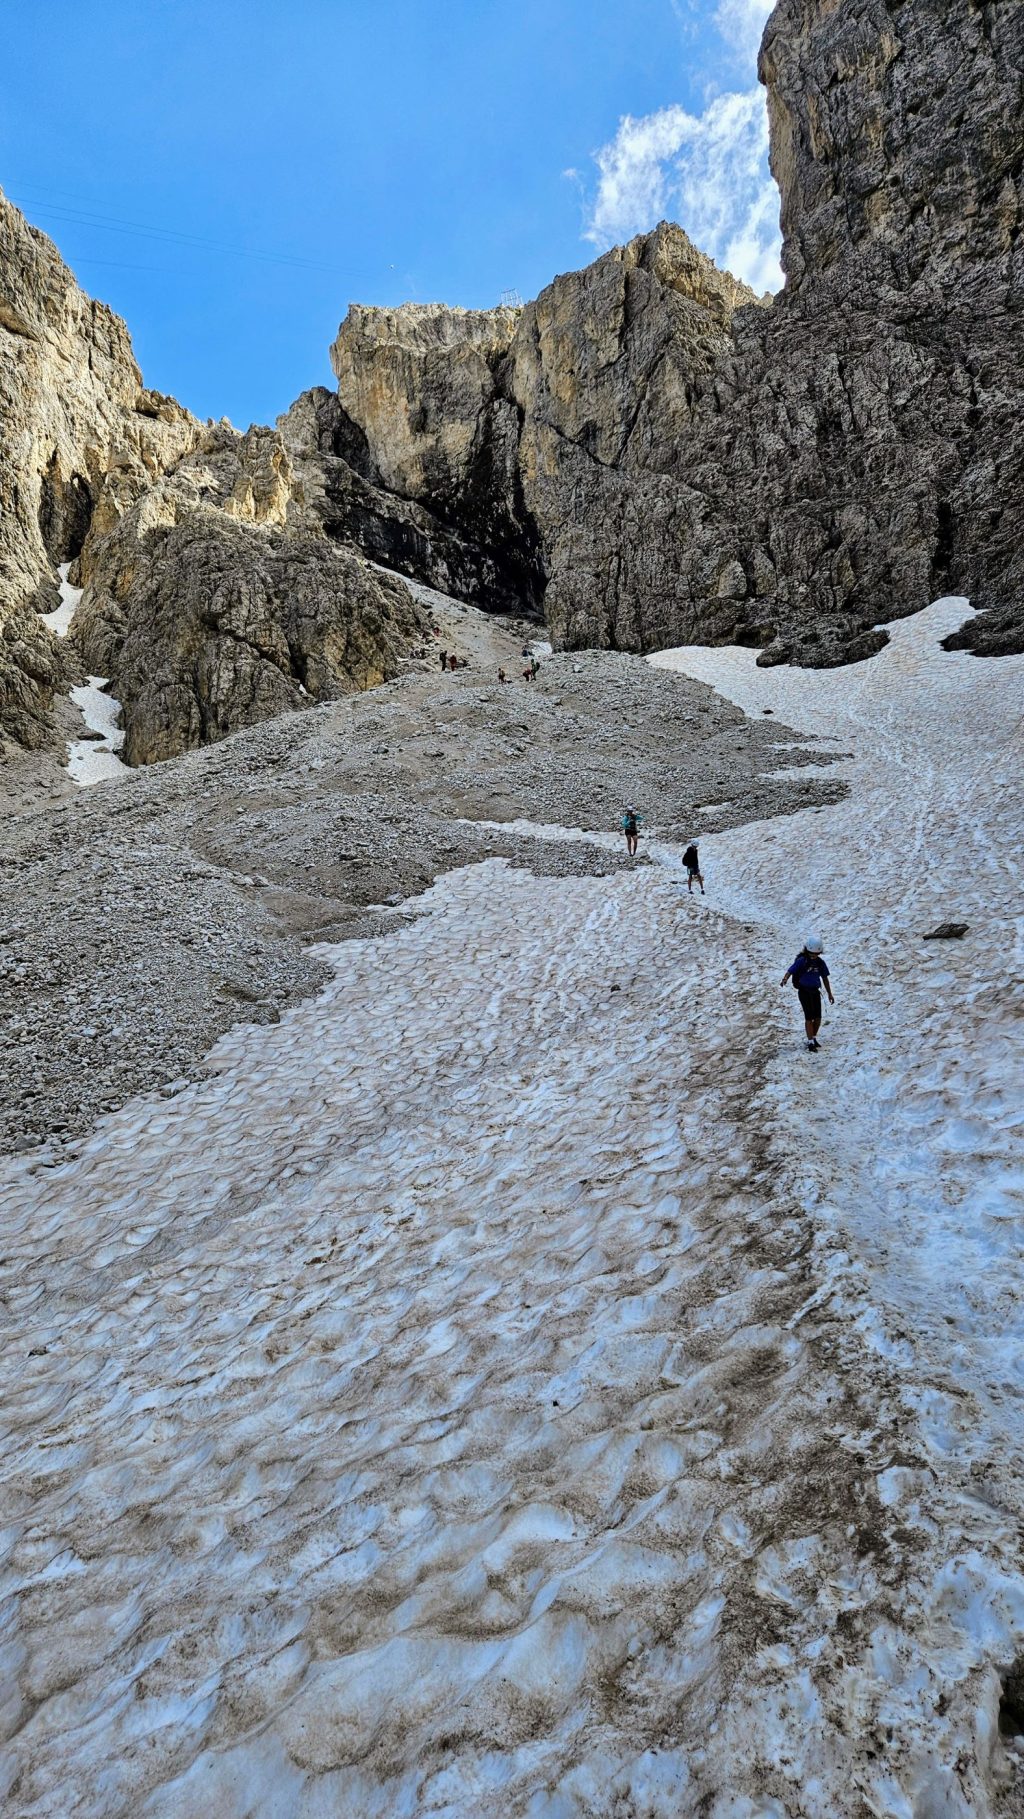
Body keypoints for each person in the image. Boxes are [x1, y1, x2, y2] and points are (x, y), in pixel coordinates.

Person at [781, 936, 835, 1051]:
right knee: (809, 1017)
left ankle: (813, 1038)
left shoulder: (820, 963)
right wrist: (784, 979)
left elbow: (825, 978)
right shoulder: (802, 961)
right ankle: (810, 1042)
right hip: (804, 992)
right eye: (811, 953)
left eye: (816, 954)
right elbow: (791, 970)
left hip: (815, 992)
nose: (813, 956)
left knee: (818, 1018)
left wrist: (830, 993)